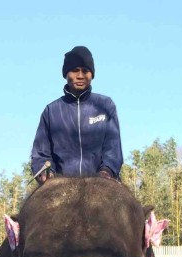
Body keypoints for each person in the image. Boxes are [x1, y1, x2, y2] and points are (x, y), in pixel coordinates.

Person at [31, 45, 123, 184]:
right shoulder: (51, 111)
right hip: (62, 186)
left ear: (92, 74)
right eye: (75, 70)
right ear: (66, 74)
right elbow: (41, 154)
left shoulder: (105, 105)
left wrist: (106, 171)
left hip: (101, 184)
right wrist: (45, 173)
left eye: (85, 71)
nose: (80, 76)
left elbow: (113, 149)